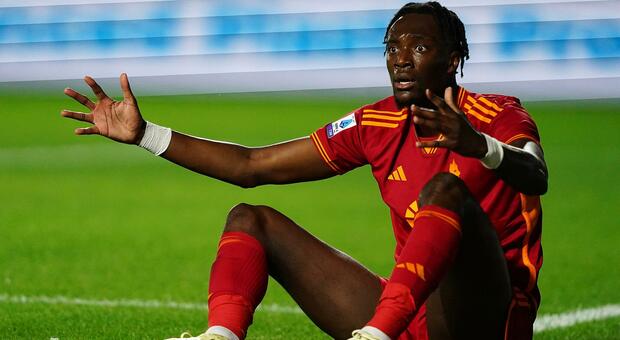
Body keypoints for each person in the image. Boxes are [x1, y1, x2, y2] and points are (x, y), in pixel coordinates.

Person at [61, 2, 547, 339]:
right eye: (392, 48)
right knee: (251, 218)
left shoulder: (496, 114)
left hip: (490, 318)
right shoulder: (374, 124)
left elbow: (535, 173)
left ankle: (377, 333)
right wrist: (146, 134)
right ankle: (220, 335)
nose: (401, 60)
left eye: (418, 48)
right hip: (414, 319)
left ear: (452, 60)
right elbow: (253, 164)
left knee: (447, 189)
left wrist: (478, 145)